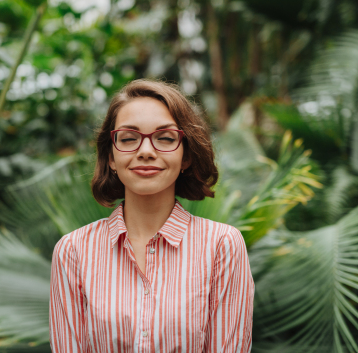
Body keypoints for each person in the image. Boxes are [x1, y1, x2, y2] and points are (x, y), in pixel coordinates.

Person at [49, 79, 254, 352]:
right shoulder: (73, 251)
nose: (146, 152)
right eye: (129, 139)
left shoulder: (222, 246)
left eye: (165, 138)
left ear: (186, 156)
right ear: (111, 156)